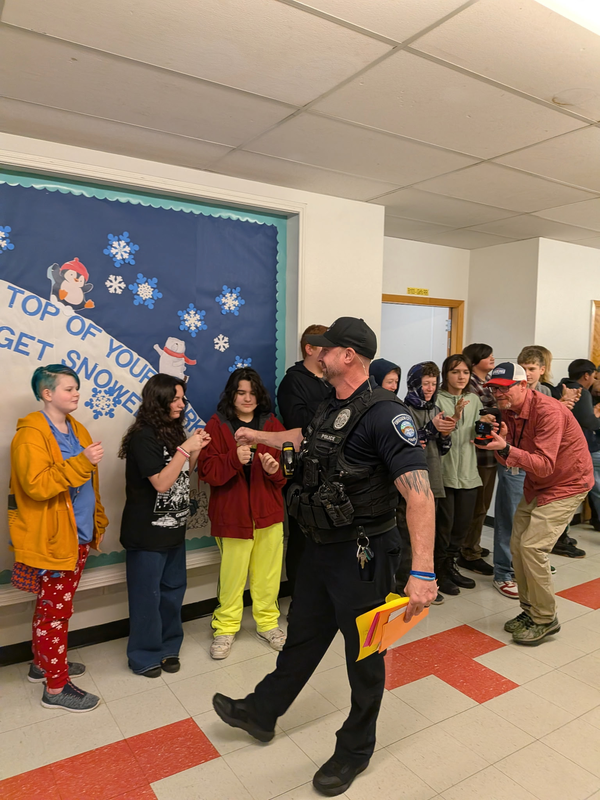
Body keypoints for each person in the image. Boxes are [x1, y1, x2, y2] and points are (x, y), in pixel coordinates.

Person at [211, 317, 436, 797]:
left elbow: (418, 494)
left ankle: (354, 751)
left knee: (365, 655)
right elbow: (305, 439)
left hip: (364, 553)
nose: (318, 353)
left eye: (327, 348)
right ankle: (261, 712)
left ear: (348, 355)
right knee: (304, 637)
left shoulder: (385, 414)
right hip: (319, 547)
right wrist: (261, 438)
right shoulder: (329, 404)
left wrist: (422, 571)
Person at [9, 364, 108, 712]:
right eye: (68, 388)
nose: (76, 393)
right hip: (53, 541)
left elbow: (85, 486)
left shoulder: (76, 428)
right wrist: (82, 461)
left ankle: (44, 664)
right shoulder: (30, 435)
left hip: (75, 538)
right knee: (55, 612)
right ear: (47, 394)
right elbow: (36, 485)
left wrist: (96, 521)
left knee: (52, 607)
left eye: (77, 387)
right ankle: (56, 686)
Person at [477, 363, 593, 645]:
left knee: (532, 547)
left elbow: (543, 464)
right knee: (517, 546)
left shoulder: (548, 411)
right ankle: (529, 611)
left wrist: (505, 448)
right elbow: (512, 462)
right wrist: (500, 444)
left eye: (504, 389)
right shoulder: (509, 411)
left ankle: (545, 618)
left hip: (568, 483)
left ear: (524, 386)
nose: (498, 394)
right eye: (494, 389)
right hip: (538, 483)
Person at [119, 374, 210, 677]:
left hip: (174, 528)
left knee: (172, 592)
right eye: (176, 399)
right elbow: (161, 482)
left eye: (182, 398)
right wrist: (185, 449)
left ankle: (169, 646)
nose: (181, 404)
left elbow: (183, 473)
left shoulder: (173, 432)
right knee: (148, 596)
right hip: (147, 533)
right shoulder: (143, 437)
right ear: (158, 400)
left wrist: (194, 449)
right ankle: (143, 654)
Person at [198, 367, 287, 660]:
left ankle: (268, 624)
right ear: (232, 395)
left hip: (268, 515)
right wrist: (233, 458)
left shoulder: (272, 425)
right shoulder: (217, 425)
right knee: (232, 577)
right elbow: (208, 472)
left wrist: (276, 472)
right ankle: (225, 628)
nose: (247, 398)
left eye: (251, 392)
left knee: (268, 576)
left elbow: (286, 471)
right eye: (241, 392)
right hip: (232, 518)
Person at [277, 324, 331, 595]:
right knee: (302, 539)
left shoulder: (332, 381)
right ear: (309, 349)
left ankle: (322, 595)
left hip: (331, 474)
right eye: (326, 348)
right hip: (303, 475)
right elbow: (298, 425)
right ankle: (298, 597)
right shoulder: (293, 381)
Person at [398, 361, 455, 604]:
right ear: (413, 384)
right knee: (408, 538)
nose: (430, 388)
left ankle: (428, 581)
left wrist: (445, 435)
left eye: (434, 383)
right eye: (425, 383)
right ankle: (404, 585)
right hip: (410, 484)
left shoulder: (435, 408)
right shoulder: (402, 409)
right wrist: (431, 429)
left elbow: (441, 450)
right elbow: (406, 443)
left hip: (433, 477)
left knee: (432, 534)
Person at [435, 354, 483, 596]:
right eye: (456, 372)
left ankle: (451, 566)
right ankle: (438, 573)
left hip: (468, 473)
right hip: (444, 473)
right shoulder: (436, 399)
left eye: (465, 372)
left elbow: (476, 431)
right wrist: (454, 415)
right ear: (446, 374)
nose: (461, 377)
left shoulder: (473, 399)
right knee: (443, 527)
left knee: (461, 527)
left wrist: (488, 423)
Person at [459, 343, 496, 576]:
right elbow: (478, 417)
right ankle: (468, 551)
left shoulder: (489, 382)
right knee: (477, 505)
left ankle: (472, 545)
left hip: (492, 452)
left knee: (482, 504)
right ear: (474, 361)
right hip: (478, 454)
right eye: (486, 355)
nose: (492, 358)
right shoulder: (470, 386)